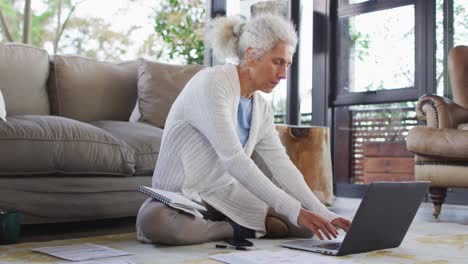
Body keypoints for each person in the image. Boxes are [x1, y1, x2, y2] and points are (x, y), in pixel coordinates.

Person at [136, 13, 351, 246]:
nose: (283, 75)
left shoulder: (261, 107)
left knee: (305, 228)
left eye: (287, 65)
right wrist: (295, 209)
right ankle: (231, 228)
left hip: (222, 195)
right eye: (277, 62)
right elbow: (235, 161)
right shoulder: (212, 83)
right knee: (155, 221)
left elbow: (282, 165)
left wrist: (325, 213)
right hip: (182, 197)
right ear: (250, 56)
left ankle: (234, 223)